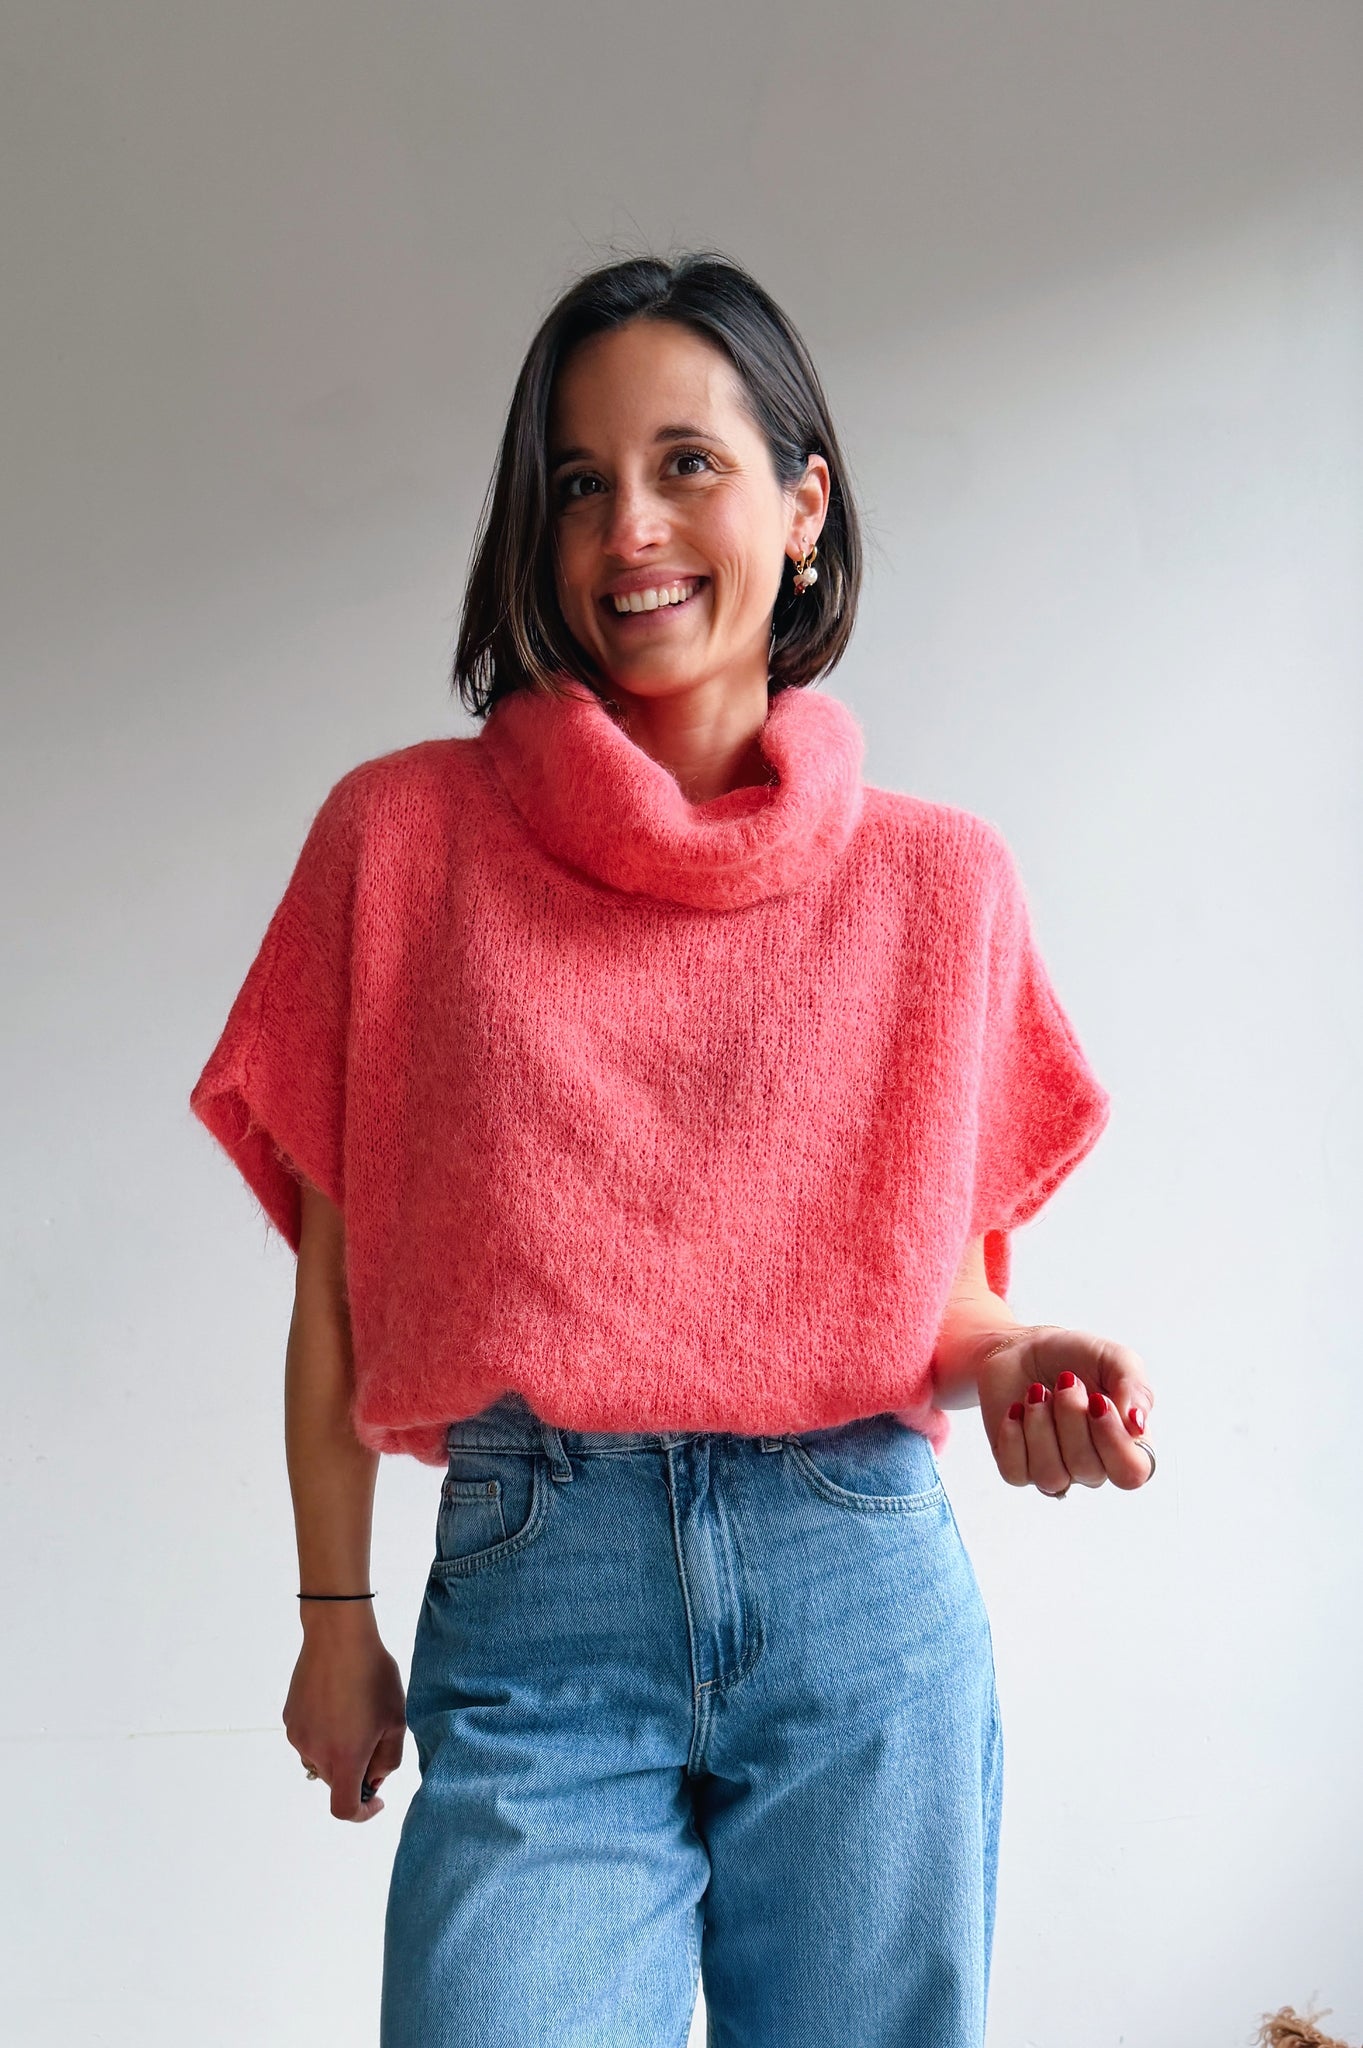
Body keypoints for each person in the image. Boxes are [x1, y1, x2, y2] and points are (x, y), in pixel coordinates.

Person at [189, 249, 1155, 2048]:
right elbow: (338, 1292)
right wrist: (333, 1615)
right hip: (539, 1595)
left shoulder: (940, 885)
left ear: (804, 507)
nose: (627, 526)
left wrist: (1024, 1361)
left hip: (862, 1599)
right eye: (579, 482)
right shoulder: (401, 844)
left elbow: (941, 1304)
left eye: (686, 463)